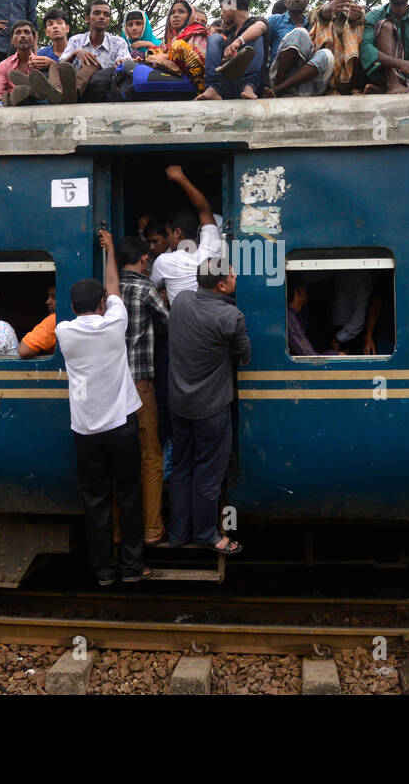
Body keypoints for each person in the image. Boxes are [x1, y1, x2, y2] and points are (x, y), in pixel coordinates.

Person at [56, 229, 148, 585]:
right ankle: (133, 567)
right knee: (128, 497)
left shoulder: (65, 331)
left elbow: (106, 294)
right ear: (100, 304)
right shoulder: (114, 324)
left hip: (86, 432)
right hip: (121, 427)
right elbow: (114, 289)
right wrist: (110, 250)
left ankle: (104, 572)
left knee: (96, 502)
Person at [165, 257, 248, 554]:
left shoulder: (182, 302)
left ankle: (177, 533)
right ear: (222, 285)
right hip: (211, 408)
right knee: (208, 474)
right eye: (231, 275)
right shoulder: (231, 317)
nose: (236, 275)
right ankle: (205, 534)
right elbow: (244, 354)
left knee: (181, 468)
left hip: (178, 403)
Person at [118, 236, 169, 544]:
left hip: (112, 385)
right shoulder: (143, 287)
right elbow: (170, 321)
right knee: (150, 455)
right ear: (143, 260)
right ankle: (151, 530)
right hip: (140, 383)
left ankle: (118, 531)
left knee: (118, 459)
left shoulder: (107, 291)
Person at [150, 165, 222, 301]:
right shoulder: (211, 251)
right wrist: (181, 178)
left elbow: (151, 289)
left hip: (181, 321)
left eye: (167, 234)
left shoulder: (164, 261)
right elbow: (204, 210)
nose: (167, 240)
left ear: (177, 233)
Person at [197, 0, 269, 101]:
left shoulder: (256, 22)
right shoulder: (228, 33)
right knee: (215, 38)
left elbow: (260, 27)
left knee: (255, 37)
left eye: (222, 8)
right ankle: (213, 88)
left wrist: (238, 41)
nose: (221, 14)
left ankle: (249, 87)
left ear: (230, 3)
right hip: (228, 86)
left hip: (254, 88)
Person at [308, 0, 368, 94]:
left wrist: (353, 19)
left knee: (357, 28)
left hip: (353, 71)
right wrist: (327, 13)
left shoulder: (358, 10)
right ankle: (331, 87)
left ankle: (354, 86)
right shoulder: (318, 10)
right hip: (328, 70)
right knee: (322, 25)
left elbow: (362, 18)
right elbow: (316, 17)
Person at [61, 0, 132, 102]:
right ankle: (57, 93)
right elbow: (61, 66)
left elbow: (126, 62)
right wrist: (75, 53)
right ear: (87, 18)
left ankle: (71, 94)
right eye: (97, 13)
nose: (102, 17)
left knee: (91, 64)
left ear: (109, 20)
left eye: (106, 14)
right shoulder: (76, 40)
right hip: (77, 88)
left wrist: (122, 63)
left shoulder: (118, 42)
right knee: (54, 67)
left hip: (103, 91)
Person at [146, 0, 209, 93]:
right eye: (172, 13)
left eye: (181, 12)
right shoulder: (171, 39)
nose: (175, 15)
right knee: (152, 50)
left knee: (178, 46)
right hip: (177, 77)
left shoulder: (198, 31)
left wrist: (165, 56)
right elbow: (155, 52)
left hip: (198, 80)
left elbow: (202, 61)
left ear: (190, 16)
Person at [18, 284, 58, 358]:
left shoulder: (54, 319)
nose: (48, 302)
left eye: (54, 297)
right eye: (48, 297)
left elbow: (24, 350)